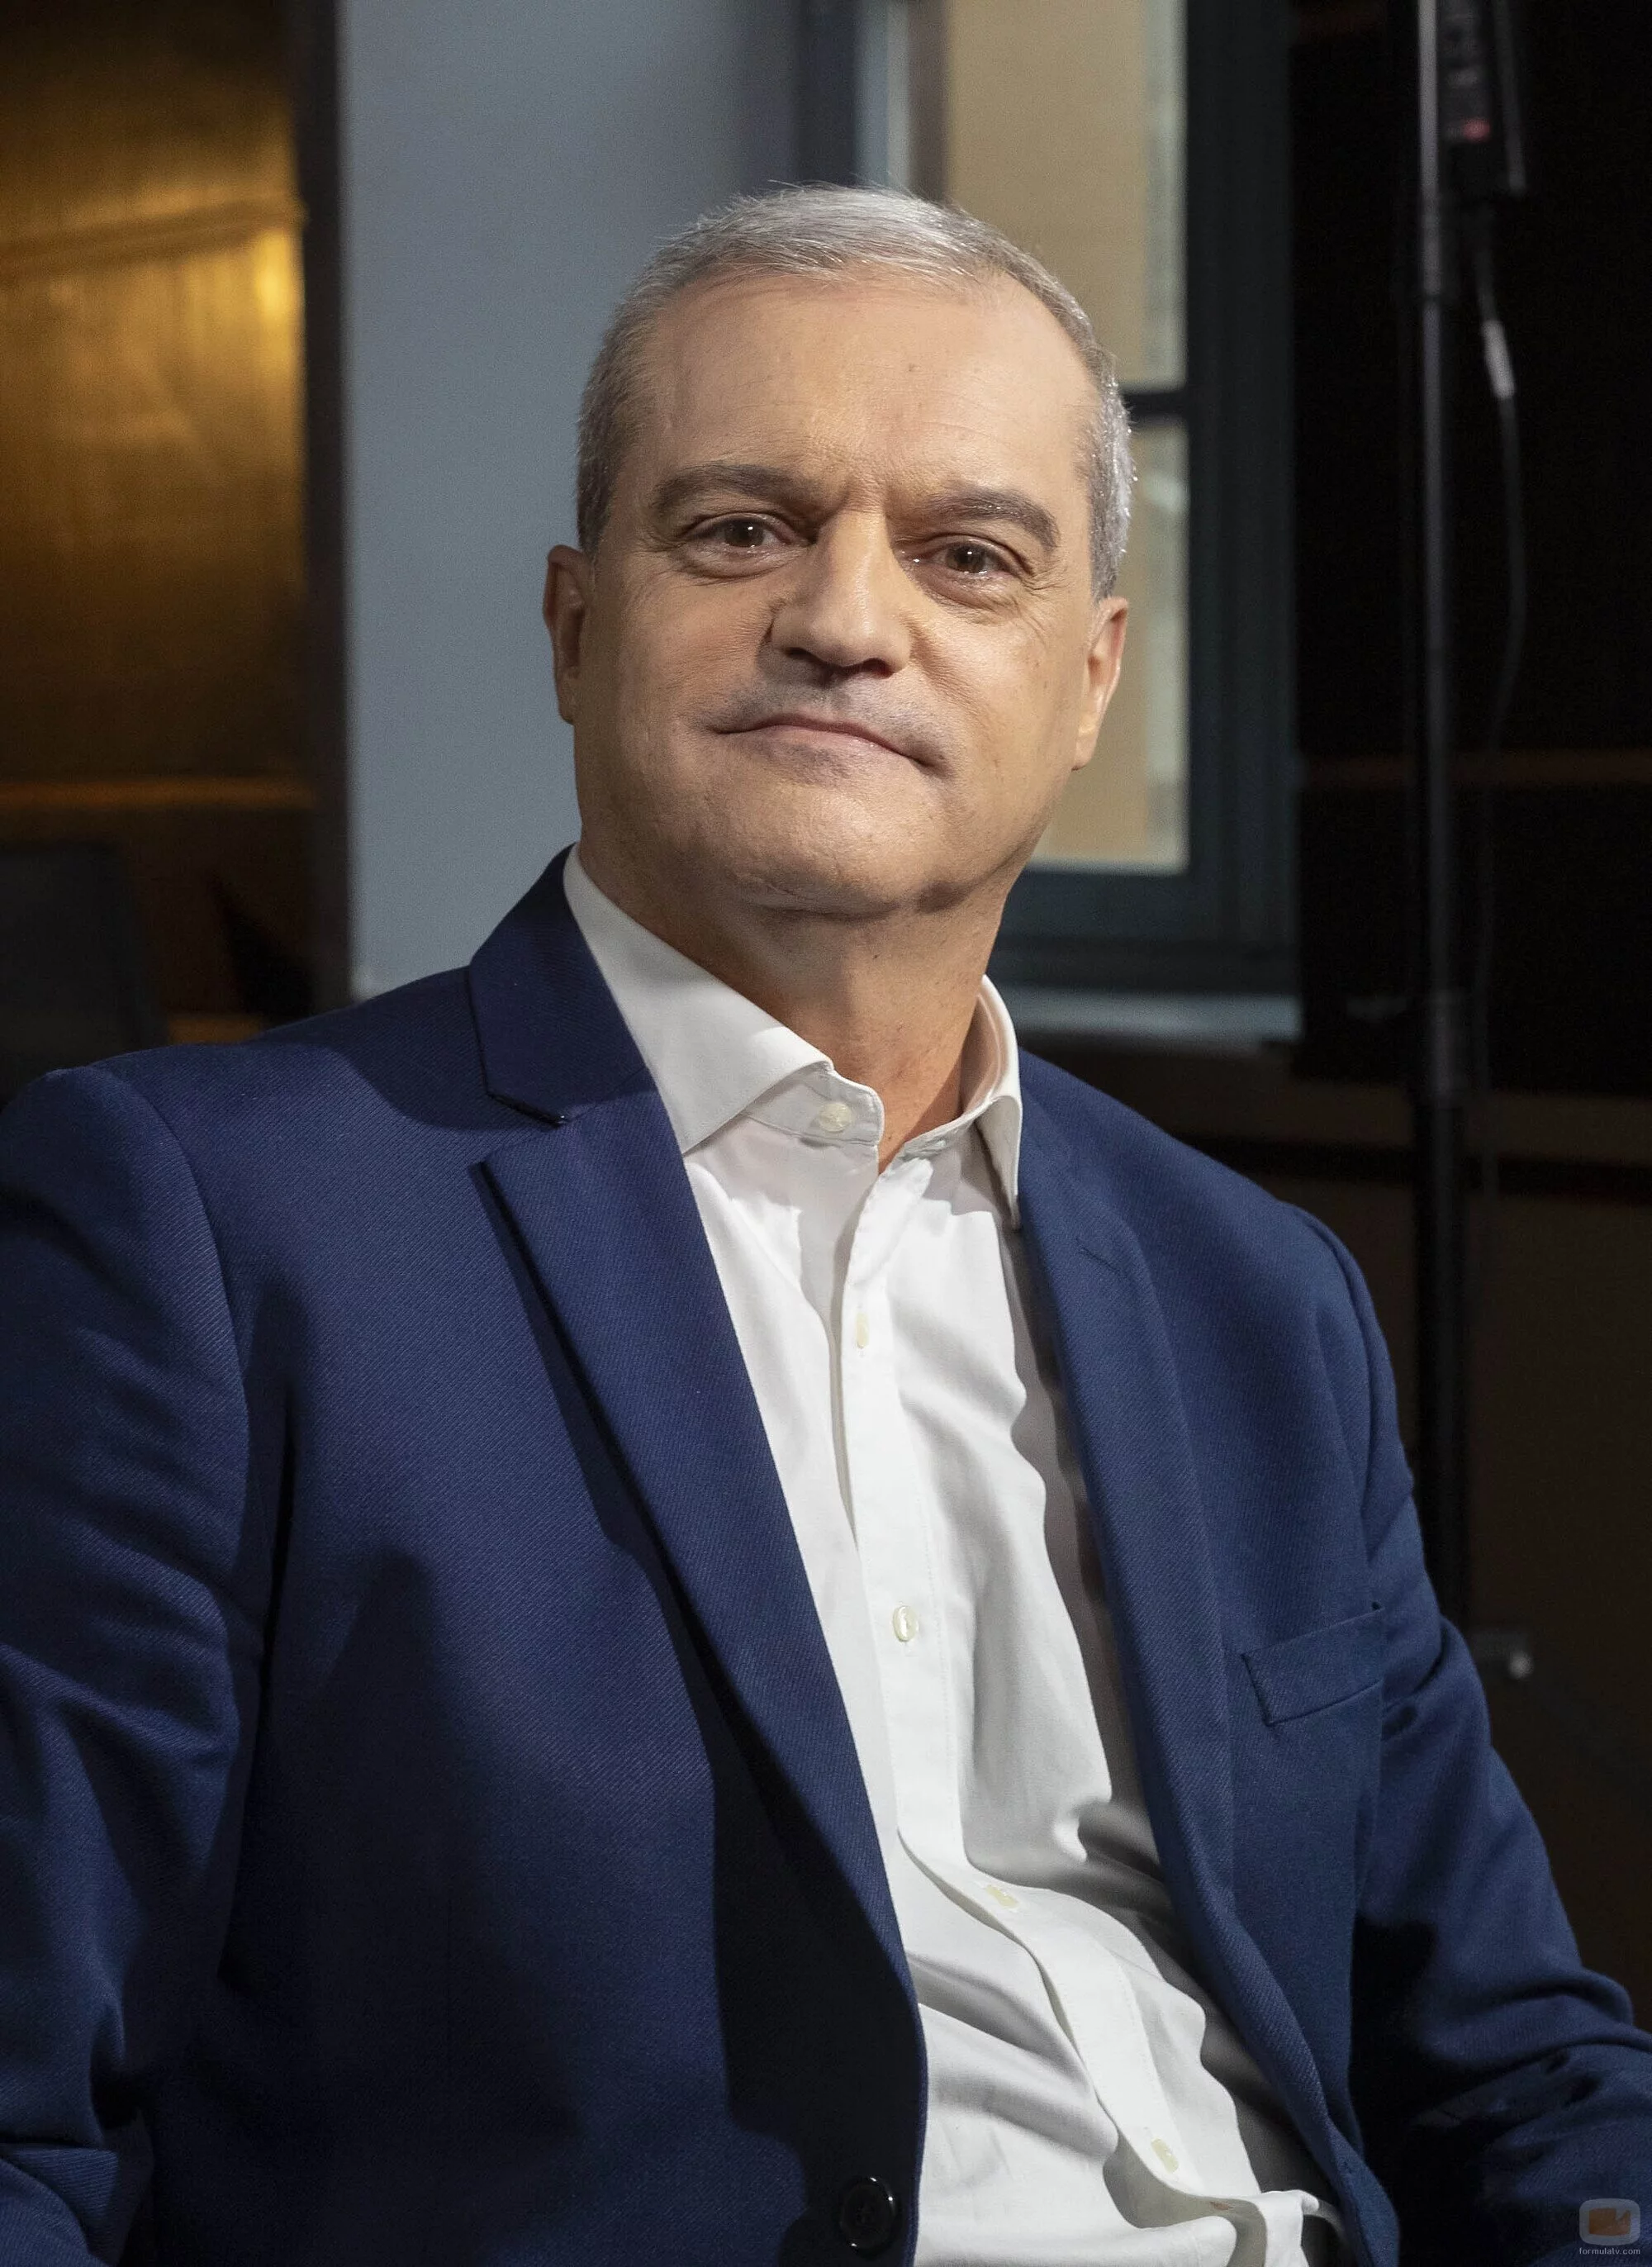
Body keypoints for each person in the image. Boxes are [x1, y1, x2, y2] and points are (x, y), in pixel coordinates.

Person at [0, 187, 1646, 2267]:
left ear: (1089, 680)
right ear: (573, 626)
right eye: (739, 529)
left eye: (969, 557)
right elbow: (27, 2107)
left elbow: (1515, 2070)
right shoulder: (204, 1219)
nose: (846, 620)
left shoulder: (1255, 1292)